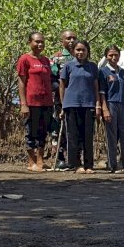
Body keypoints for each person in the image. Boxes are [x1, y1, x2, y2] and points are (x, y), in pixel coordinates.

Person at [59, 40, 100, 174]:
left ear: (88, 51)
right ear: (73, 51)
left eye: (83, 50)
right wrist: (63, 104)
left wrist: (98, 103)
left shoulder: (93, 67)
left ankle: (89, 165)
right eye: (78, 50)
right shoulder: (68, 66)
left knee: (88, 135)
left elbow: (96, 87)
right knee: (73, 135)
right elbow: (62, 86)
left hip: (88, 104)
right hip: (71, 104)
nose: (80, 52)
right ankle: (76, 164)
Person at [16, 32, 54, 172]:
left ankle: (40, 159)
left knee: (43, 132)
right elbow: (21, 82)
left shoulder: (45, 60)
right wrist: (23, 104)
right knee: (31, 131)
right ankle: (31, 161)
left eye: (42, 42)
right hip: (31, 102)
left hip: (46, 102)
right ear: (29, 42)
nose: (40, 44)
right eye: (37, 42)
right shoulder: (24, 59)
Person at [98, 45, 124, 173]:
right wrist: (105, 109)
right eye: (111, 55)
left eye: (116, 55)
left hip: (123, 104)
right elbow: (102, 92)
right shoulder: (103, 72)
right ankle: (112, 164)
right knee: (112, 136)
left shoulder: (123, 71)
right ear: (107, 56)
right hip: (110, 104)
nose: (114, 57)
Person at [50, 30, 77, 169]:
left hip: (79, 100)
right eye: (68, 38)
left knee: (75, 129)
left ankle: (74, 158)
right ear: (62, 41)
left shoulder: (81, 56)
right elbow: (51, 80)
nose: (71, 40)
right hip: (61, 99)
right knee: (59, 128)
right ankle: (60, 158)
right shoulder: (57, 58)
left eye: (74, 38)